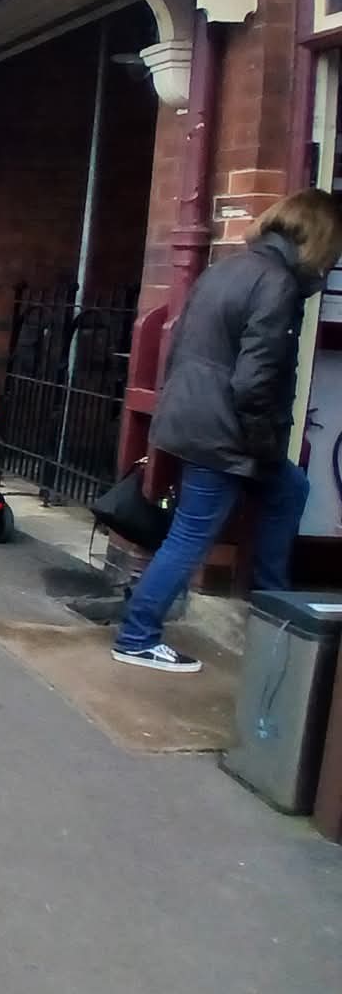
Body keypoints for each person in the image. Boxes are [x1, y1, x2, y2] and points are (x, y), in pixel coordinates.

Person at [112, 189, 342, 671]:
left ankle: (273, 605)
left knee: (289, 490)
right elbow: (256, 381)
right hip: (226, 430)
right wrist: (262, 445)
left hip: (195, 416)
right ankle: (137, 635)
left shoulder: (230, 268)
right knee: (192, 536)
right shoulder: (277, 283)